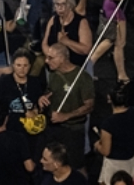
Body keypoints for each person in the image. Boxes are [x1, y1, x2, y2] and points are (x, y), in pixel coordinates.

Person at [44, 42, 95, 172]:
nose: (46, 61)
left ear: (62, 58)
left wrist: (66, 116)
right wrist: (42, 98)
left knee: (76, 166)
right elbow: (50, 92)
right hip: (54, 128)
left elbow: (89, 106)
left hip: (73, 130)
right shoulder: (53, 74)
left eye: (51, 58)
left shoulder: (82, 77)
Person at [96, 85, 134, 184]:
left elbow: (106, 151)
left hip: (114, 164)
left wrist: (97, 146)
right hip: (132, 161)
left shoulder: (108, 124)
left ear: (109, 99)